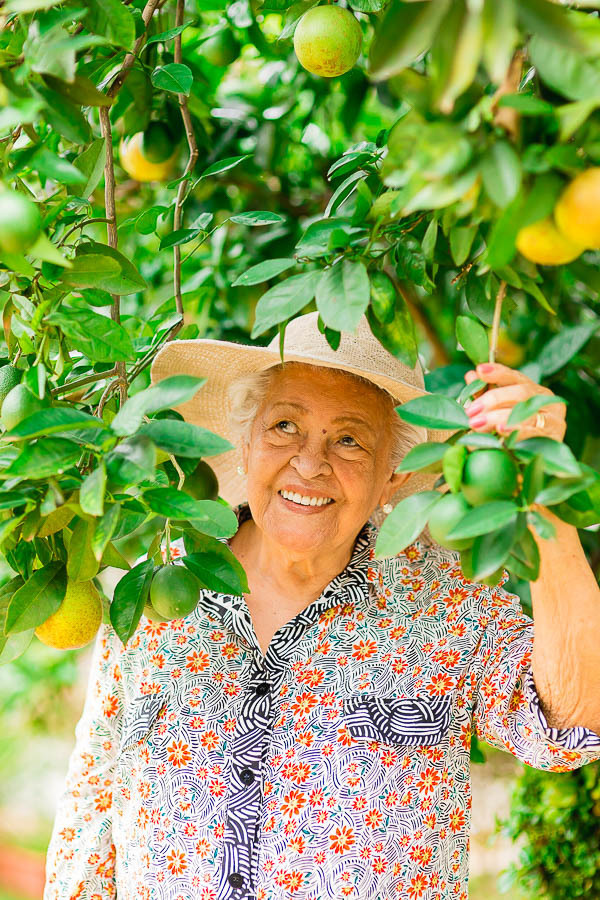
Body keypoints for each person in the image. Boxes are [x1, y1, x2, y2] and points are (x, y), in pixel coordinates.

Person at [44, 312, 600, 900]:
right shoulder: (158, 590)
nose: (310, 464)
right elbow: (94, 804)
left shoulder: (448, 604)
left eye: (349, 439)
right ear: (247, 443)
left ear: (391, 476)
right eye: (285, 426)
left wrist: (544, 501)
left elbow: (574, 725)